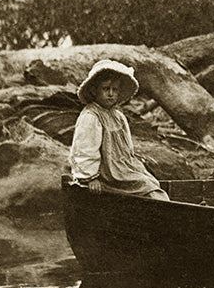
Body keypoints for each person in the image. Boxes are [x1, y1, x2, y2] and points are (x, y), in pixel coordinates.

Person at [69, 59, 168, 200]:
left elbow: (127, 147)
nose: (110, 94)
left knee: (151, 181)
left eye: (114, 90)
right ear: (94, 90)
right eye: (105, 89)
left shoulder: (118, 116)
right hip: (107, 174)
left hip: (122, 167)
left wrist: (132, 164)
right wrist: (90, 178)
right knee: (147, 187)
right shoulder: (91, 116)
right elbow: (85, 149)